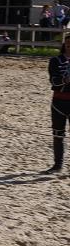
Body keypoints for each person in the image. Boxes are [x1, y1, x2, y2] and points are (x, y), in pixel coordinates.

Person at [46, 35, 70, 173]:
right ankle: (58, 165)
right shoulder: (55, 61)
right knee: (58, 135)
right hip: (59, 103)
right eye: (67, 44)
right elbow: (54, 81)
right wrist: (65, 80)